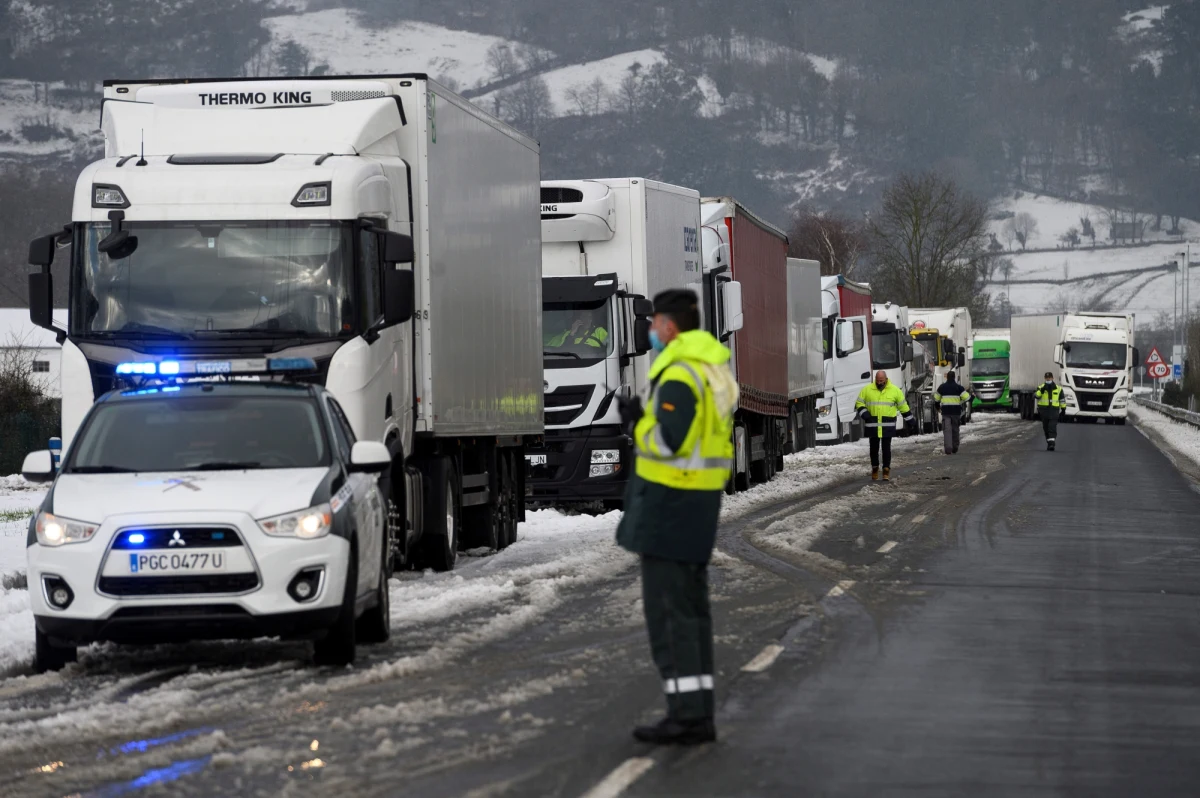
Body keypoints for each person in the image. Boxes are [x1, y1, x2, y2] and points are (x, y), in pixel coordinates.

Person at [615, 288, 738, 746]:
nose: (650, 332)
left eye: (653, 324)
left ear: (668, 326)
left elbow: (669, 442)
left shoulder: (681, 373)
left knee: (669, 614)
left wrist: (635, 423)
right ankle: (696, 711)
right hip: (695, 505)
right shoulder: (709, 366)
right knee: (690, 612)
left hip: (671, 504)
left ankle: (686, 715)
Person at [855, 370, 916, 481]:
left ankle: (886, 469)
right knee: (874, 449)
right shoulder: (867, 390)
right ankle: (875, 467)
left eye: (881, 381)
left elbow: (903, 407)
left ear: (886, 379)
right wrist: (865, 414)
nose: (879, 383)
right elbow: (859, 403)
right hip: (872, 426)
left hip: (887, 426)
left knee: (886, 448)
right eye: (878, 381)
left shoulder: (895, 391)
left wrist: (911, 421)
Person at [933, 370, 972, 455]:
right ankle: (955, 447)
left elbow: (936, 399)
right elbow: (968, 399)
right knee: (955, 430)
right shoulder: (959, 388)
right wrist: (973, 397)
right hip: (956, 413)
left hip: (946, 413)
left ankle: (948, 448)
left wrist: (938, 407)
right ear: (954, 377)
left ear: (947, 377)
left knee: (947, 430)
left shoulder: (941, 387)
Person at [1036, 371, 1066, 451]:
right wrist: (1042, 390)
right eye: (1047, 378)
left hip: (1054, 410)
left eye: (1049, 378)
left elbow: (1062, 400)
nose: (1048, 379)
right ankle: (1049, 442)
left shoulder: (1058, 389)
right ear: (1044, 378)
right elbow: (1036, 396)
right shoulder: (1040, 387)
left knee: (1052, 427)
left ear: (1052, 378)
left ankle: (1051, 444)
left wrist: (1063, 409)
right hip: (1044, 410)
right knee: (1046, 427)